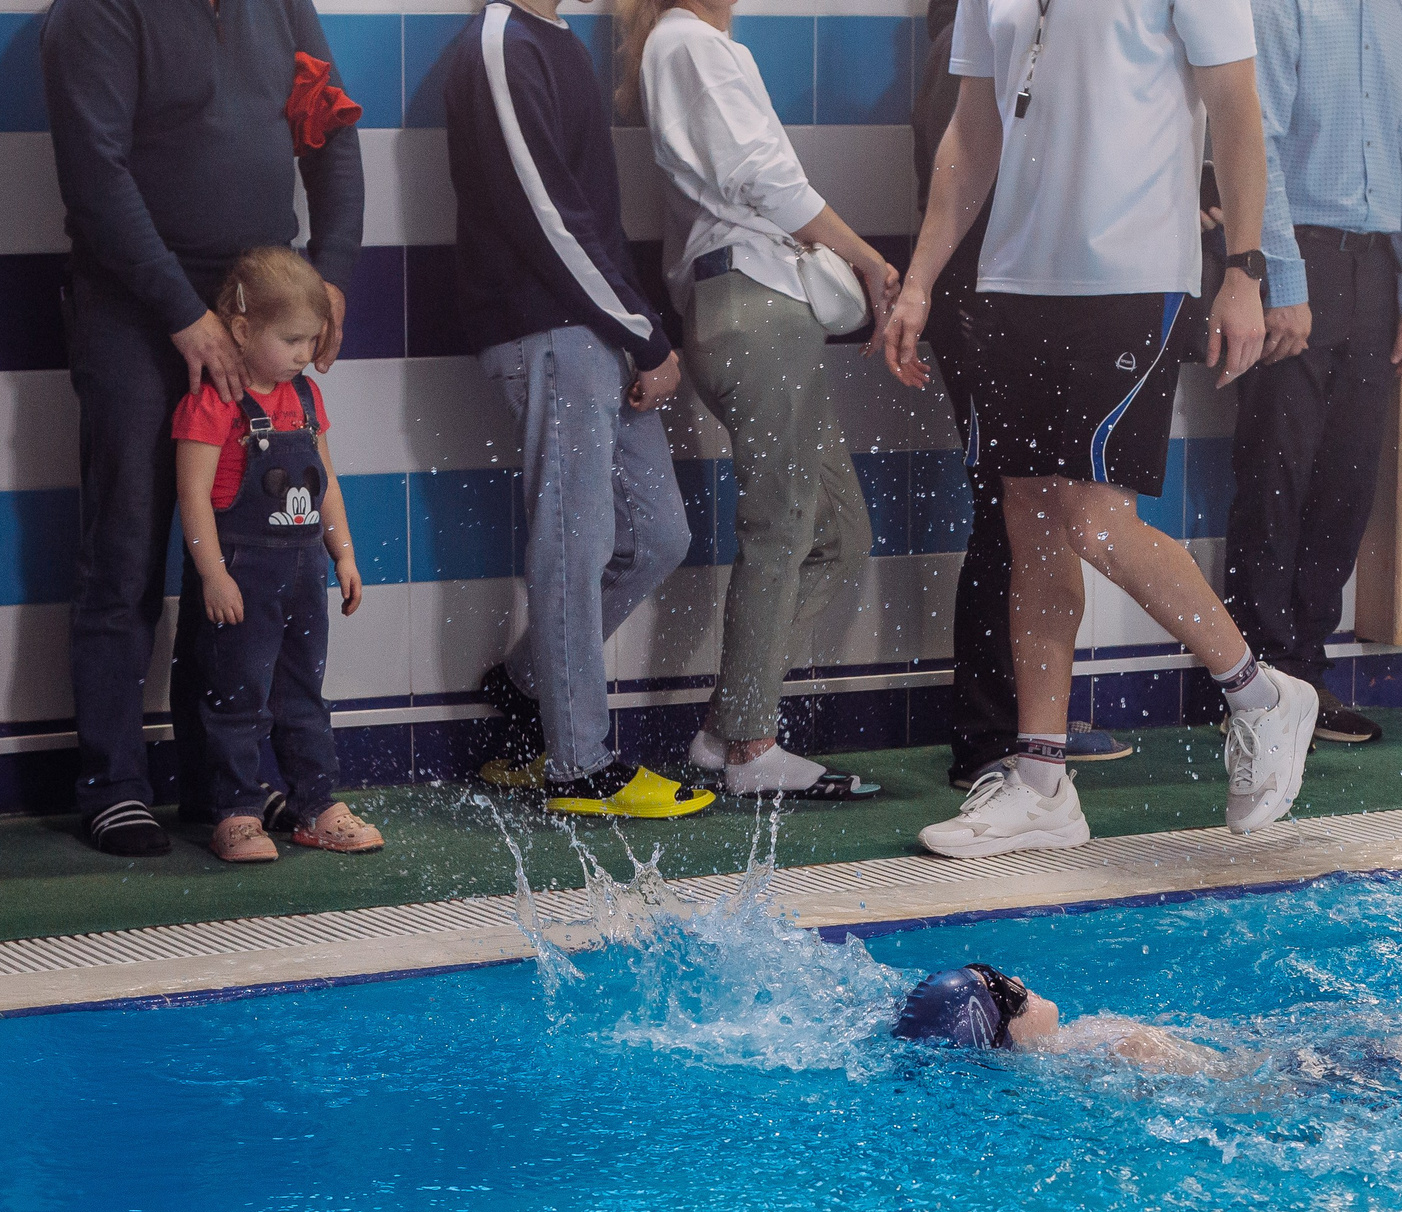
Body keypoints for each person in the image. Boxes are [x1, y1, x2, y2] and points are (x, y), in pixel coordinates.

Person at [886, 0, 1322, 859]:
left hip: (1135, 274)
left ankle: (1263, 694)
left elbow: (1236, 108)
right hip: (1014, 279)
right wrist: (920, 279)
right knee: (1031, 522)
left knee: (1091, 518)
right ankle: (1042, 781)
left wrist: (1244, 271)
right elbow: (973, 135)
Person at [43, 0, 363, 855]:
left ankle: (218, 786)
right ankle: (113, 782)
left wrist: (328, 277)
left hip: (257, 302)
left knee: (251, 548)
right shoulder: (98, 12)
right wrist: (186, 314)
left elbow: (331, 135)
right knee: (129, 542)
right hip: (133, 305)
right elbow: (96, 173)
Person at [444, 0, 712, 821]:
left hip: (592, 329)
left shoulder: (555, 39)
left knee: (659, 534)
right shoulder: (501, 40)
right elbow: (548, 218)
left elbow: (588, 221)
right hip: (548, 330)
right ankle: (577, 764)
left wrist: (633, 330)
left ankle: (529, 688)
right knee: (577, 539)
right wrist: (643, 332)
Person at [622, 0, 892, 802]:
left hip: (762, 306)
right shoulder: (683, 40)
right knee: (783, 525)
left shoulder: (701, 46)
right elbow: (762, 178)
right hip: (751, 305)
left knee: (839, 533)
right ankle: (749, 746)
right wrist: (868, 259)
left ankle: (726, 728)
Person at [911, 0, 1134, 789]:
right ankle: (989, 735)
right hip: (988, 309)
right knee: (1011, 517)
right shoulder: (969, 47)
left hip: (999, 306)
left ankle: (1021, 724)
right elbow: (978, 179)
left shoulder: (986, 41)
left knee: (1026, 518)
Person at [1224, 0, 1402, 745]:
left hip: (1377, 267)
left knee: (1348, 479)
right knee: (1274, 472)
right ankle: (1257, 678)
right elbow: (1261, 143)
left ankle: (1307, 676)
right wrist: (1283, 279)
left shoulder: (1395, 14)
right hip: (1300, 256)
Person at [170, 249, 382, 863]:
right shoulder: (211, 404)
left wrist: (343, 555)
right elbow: (193, 498)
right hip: (241, 576)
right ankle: (234, 811)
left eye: (310, 341)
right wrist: (211, 573)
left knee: (302, 694)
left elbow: (326, 485)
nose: (302, 354)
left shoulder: (307, 400)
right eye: (290, 340)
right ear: (241, 330)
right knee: (236, 695)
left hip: (302, 572)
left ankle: (315, 804)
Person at [893, 965, 1222, 1072]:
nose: (1019, 982)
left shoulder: (1078, 1043)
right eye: (1003, 988)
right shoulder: (1117, 1054)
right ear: (999, 1033)